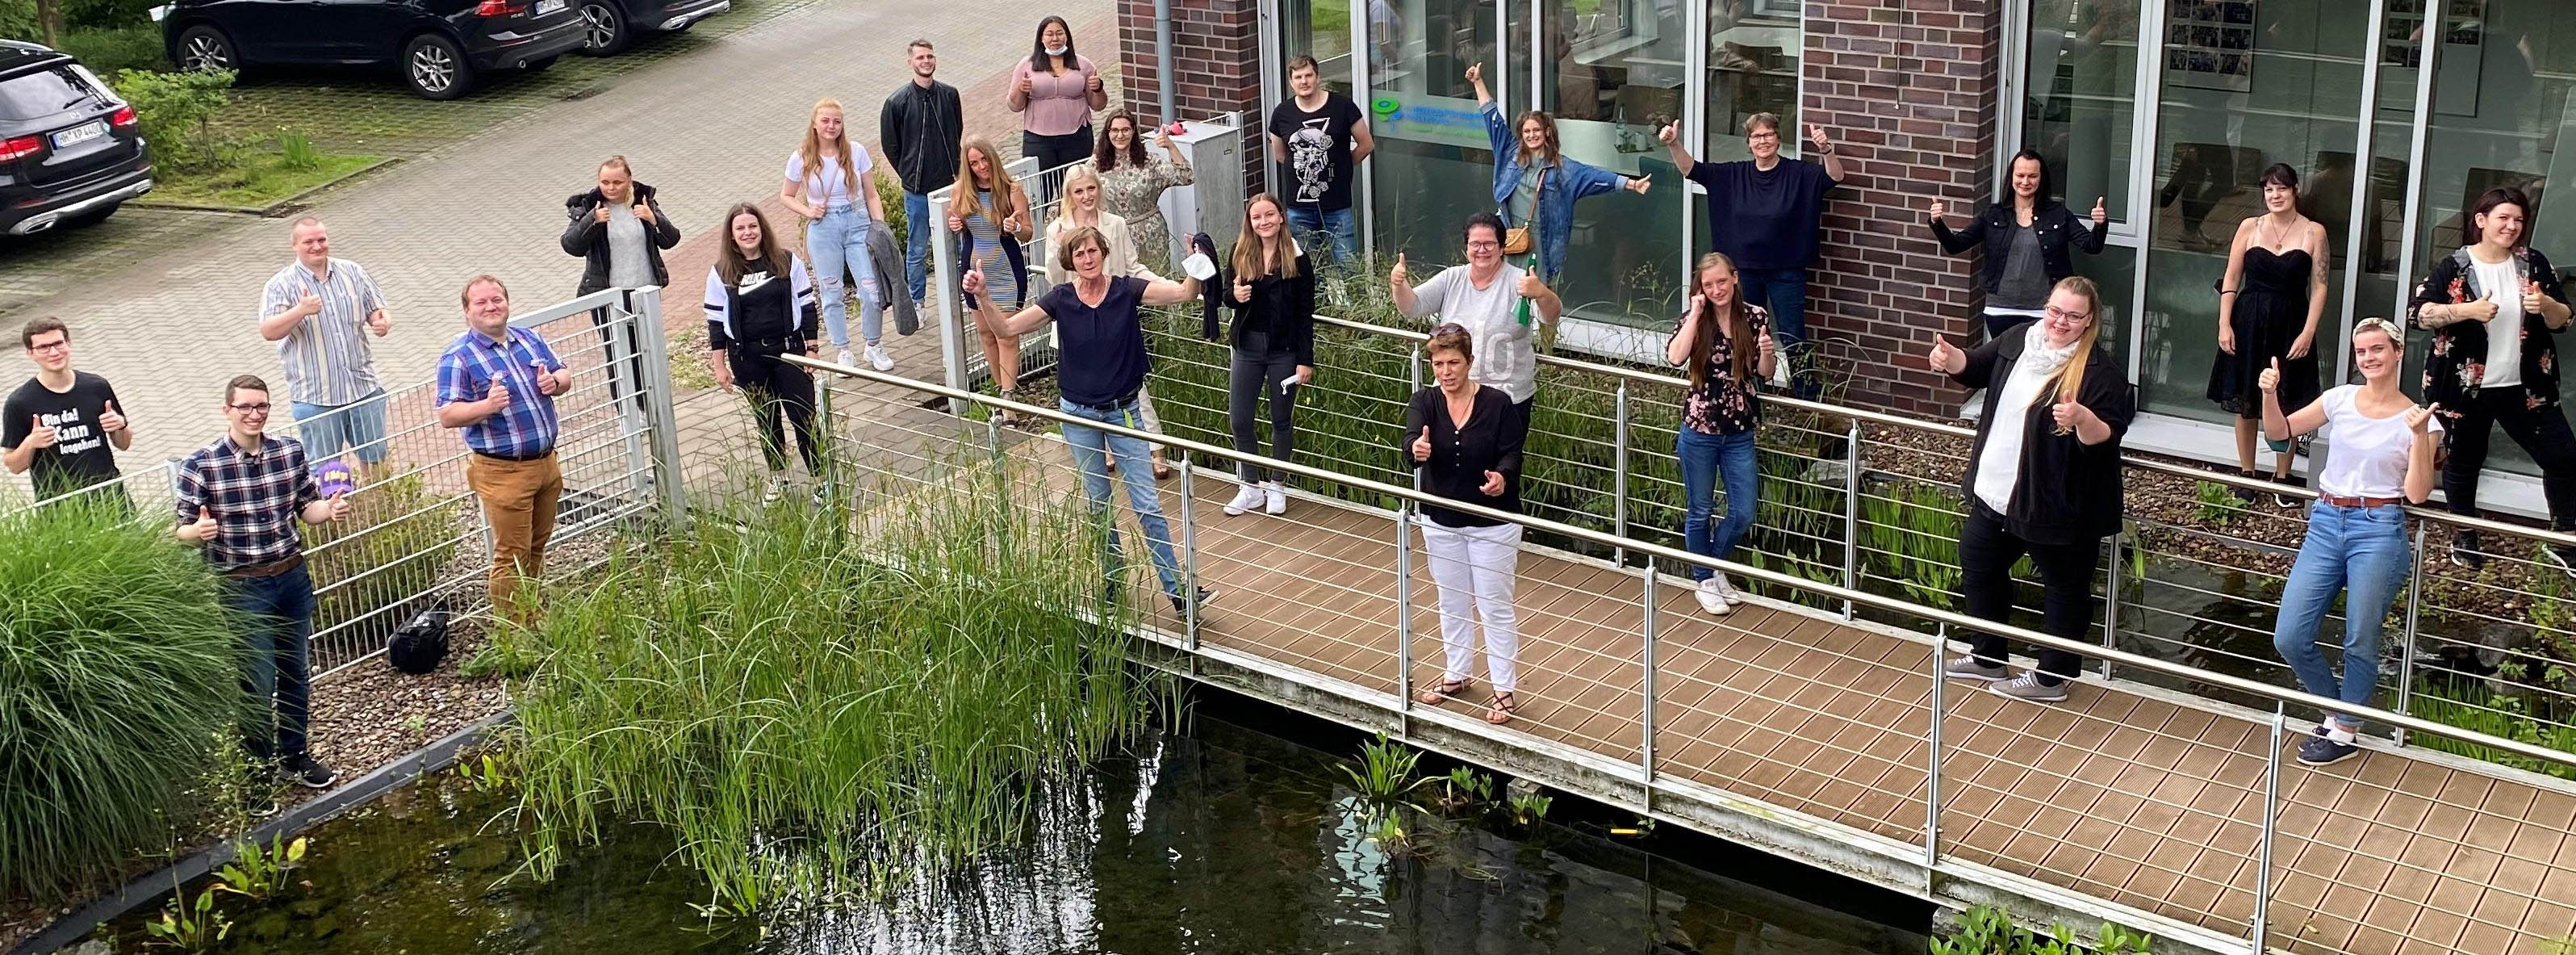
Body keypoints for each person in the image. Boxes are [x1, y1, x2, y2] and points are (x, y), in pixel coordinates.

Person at [965, 226, 1216, 615]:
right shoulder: (1060, 299)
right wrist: (982, 296)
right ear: (1070, 261)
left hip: (1124, 410)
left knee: (1148, 505)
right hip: (1078, 415)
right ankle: (1113, 584)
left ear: (1104, 253)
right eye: (1079, 253)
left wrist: (1197, 261)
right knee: (1099, 504)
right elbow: (1007, 329)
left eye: (1092, 251)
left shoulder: (1126, 290)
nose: (1087, 259)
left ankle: (1179, 592)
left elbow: (1184, 293)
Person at [1928, 276, 2134, 703]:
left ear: (2089, 320)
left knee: (2064, 588)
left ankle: (2051, 679)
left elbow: (2107, 438)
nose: (2060, 321)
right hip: (1997, 492)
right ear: (2045, 307)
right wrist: (1950, 359)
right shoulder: (2019, 338)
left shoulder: (2100, 373)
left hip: (2057, 504)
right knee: (1978, 565)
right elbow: (1976, 367)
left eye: (2073, 316)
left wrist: (2081, 418)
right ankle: (1988, 657)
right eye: (2055, 311)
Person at [2261, 317, 2440, 766]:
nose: (2369, 358)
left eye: (2378, 349)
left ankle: (2344, 732)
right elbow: (2279, 434)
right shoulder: (2340, 398)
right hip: (2325, 520)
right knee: (2290, 635)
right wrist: (2269, 394)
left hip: (2378, 528)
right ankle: (2338, 714)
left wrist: (2420, 435)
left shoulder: (2420, 419)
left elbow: (2418, 493)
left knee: (2361, 635)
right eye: (2362, 351)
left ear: (2398, 352)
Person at [174, 374, 353, 790]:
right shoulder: (201, 464)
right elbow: (181, 529)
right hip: (242, 586)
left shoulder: (288, 452)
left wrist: (329, 511)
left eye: (262, 406)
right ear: (227, 410)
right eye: (245, 407)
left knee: (296, 670)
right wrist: (197, 532)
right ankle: (257, 773)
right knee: (257, 679)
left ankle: (295, 756)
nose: (254, 415)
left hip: (291, 576)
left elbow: (306, 508)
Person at [2407, 186, 2576, 575]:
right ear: (2481, 220)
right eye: (2503, 218)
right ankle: (2465, 534)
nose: (2512, 226)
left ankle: (2564, 537)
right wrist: (2467, 310)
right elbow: (2419, 314)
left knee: (2564, 456)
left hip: (2526, 386)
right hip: (2465, 386)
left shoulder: (2533, 263)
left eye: (2519, 219)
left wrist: (2546, 305)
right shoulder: (2455, 265)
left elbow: (2564, 321)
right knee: (2465, 460)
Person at [1658, 115, 1844, 398]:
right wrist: (1674, 144)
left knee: (1793, 335)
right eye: (1756, 136)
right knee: (1745, 333)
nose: (1763, 141)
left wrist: (1826, 150)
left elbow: (1835, 177)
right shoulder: (1734, 175)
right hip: (1743, 272)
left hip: (1787, 271)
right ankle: (1751, 394)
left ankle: (1807, 399)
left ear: (1778, 139)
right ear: (1748, 143)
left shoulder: (1798, 173)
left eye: (1768, 135)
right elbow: (1691, 170)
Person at [1402, 323, 1529, 726]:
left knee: (1494, 605)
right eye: (1438, 364)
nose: (1446, 371)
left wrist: (1502, 477)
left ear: (1469, 362)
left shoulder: (1498, 403)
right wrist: (1416, 449)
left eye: (1453, 363)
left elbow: (1513, 454)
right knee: (1451, 599)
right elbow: (1409, 444)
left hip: (1492, 523)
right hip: (1440, 519)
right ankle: (1457, 673)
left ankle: (1504, 688)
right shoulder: (1424, 401)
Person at [434, 275, 569, 626]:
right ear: (467, 311)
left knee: (537, 545)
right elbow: (448, 415)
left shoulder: (528, 339)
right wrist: (487, 406)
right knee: (511, 555)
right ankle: (515, 632)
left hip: (546, 463)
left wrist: (555, 382)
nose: (491, 307)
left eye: (497, 299)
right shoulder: (458, 357)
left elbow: (564, 375)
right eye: (481, 302)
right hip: (503, 471)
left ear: (507, 303)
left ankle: (532, 614)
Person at [2210, 163, 2331, 508]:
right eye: (2269, 190)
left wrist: (2309, 331)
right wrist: (2224, 323)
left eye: (2282, 189)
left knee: (2288, 399)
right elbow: (2231, 278)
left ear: (2295, 191)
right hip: (2248, 321)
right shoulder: (2249, 226)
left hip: (2291, 324)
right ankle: (2246, 474)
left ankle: (2283, 476)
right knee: (2246, 399)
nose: (2275, 196)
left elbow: (2320, 287)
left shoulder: (2314, 232)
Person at [1465, 62, 1651, 284]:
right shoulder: (1510, 153)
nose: (1532, 135)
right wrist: (1478, 82)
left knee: (1539, 292)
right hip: (1510, 234)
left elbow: (1594, 177)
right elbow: (1491, 118)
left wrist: (1632, 184)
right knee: (1506, 289)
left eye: (1536, 130)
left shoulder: (1562, 168)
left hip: (1542, 241)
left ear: (1546, 132)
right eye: (1526, 131)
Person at [1666, 253, 1776, 616]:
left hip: (1740, 428)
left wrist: (1766, 354)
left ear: (1735, 279)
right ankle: (1705, 580)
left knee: (1743, 511)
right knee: (1700, 508)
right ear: (1700, 288)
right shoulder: (1696, 319)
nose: (1716, 290)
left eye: (1722, 282)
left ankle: (1713, 568)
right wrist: (1695, 314)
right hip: (1700, 427)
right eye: (1709, 284)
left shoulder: (1754, 316)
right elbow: (1675, 357)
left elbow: (1765, 372)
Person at [1048, 164, 1173, 480]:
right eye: (1079, 191)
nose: (1086, 196)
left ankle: (1155, 448)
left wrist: (1166, 286)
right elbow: (1054, 278)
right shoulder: (1057, 228)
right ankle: (1102, 449)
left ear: (1099, 189)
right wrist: (1060, 248)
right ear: (1069, 195)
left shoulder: (1115, 224)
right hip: (1077, 321)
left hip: (1115, 319)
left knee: (1135, 390)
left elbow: (1133, 267)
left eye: (1091, 188)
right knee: (1088, 389)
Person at [705, 203, 826, 503]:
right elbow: (716, 323)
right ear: (731, 235)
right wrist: (719, 366)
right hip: (747, 359)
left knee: (804, 418)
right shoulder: (721, 273)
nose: (748, 233)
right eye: (740, 228)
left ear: (762, 228)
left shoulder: (786, 261)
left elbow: (807, 306)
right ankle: (779, 478)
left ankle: (821, 480)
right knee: (767, 420)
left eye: (752, 226)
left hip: (789, 352)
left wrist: (811, 349)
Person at [1390, 213, 1562, 425]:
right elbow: (1412, 306)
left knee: (1501, 449)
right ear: (1466, 248)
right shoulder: (1451, 278)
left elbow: (1550, 315)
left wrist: (1542, 293)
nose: (1482, 250)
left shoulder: (1520, 281)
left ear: (1502, 248)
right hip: (1453, 394)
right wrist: (1398, 285)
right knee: (1448, 446)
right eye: (1475, 244)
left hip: (1507, 398)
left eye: (1489, 244)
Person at [1925, 149, 2109, 340]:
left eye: (2032, 176)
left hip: (2046, 310)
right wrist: (1937, 223)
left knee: (2040, 358)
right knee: (2006, 357)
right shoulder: (1993, 214)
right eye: (2020, 175)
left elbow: (2091, 246)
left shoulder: (2058, 213)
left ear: (2042, 178)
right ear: (2011, 177)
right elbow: (1955, 245)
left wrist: (2100, 225)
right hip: (2000, 309)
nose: (2025, 182)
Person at [260, 217, 391, 470]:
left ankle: (376, 497)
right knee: (327, 471)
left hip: (362, 388)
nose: (317, 246)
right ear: (294, 245)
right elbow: (268, 331)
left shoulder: (352, 272)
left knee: (376, 463)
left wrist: (382, 322)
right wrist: (300, 311)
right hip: (316, 398)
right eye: (308, 242)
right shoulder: (280, 285)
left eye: (322, 239)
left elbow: (377, 310)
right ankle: (335, 499)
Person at [1217, 193, 1316, 516]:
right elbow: (1225, 296)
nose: (1264, 222)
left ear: (1281, 217)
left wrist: (1305, 360)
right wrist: (1235, 295)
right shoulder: (1240, 251)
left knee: (1281, 419)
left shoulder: (1298, 258)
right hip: (1247, 347)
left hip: (1283, 350)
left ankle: (1277, 485)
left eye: (1269, 215)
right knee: (1240, 419)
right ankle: (1250, 487)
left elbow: (1305, 314)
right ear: (1250, 222)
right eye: (1257, 217)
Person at [780, 98, 893, 372]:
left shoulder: (856, 152)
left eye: (837, 122)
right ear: (815, 124)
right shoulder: (802, 157)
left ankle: (873, 344)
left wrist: (879, 225)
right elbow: (786, 195)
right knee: (831, 292)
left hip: (857, 222)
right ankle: (842, 350)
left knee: (871, 289)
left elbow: (871, 193)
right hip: (824, 228)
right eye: (825, 121)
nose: (831, 126)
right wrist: (808, 211)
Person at [559, 155, 677, 414]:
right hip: (608, 296)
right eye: (605, 182)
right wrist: (592, 220)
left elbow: (671, 239)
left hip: (644, 292)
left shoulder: (644, 202)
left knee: (648, 351)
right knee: (620, 356)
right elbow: (571, 245)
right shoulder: (589, 206)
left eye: (617, 182)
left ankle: (653, 410)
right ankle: (628, 414)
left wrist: (653, 219)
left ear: (629, 181)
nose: (611, 188)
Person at [951, 136, 1036, 424]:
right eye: (974, 163)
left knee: (1007, 334)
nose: (981, 167)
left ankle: (1008, 401)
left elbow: (1028, 233)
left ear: (993, 158)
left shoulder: (1012, 190)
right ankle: (1001, 393)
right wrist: (955, 223)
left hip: (1006, 271)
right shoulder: (961, 190)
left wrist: (1015, 227)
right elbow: (957, 223)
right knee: (987, 334)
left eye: (984, 160)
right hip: (975, 271)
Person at [4, 317, 132, 504]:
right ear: (30, 353)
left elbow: (124, 444)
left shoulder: (97, 387)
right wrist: (30, 443)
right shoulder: (20, 402)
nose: (54, 352)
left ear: (69, 343)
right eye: (43, 347)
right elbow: (14, 466)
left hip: (110, 497)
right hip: (60, 506)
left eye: (58, 343)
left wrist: (119, 426)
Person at [880, 39, 964, 312]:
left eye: (929, 56)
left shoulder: (950, 95)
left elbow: (957, 131)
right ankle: (917, 301)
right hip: (917, 190)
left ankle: (963, 293)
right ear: (910, 62)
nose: (926, 61)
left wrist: (954, 168)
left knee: (959, 242)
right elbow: (890, 145)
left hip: (949, 185)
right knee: (917, 249)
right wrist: (908, 172)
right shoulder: (897, 103)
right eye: (920, 57)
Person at [1267, 54, 1374, 266]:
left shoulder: (1343, 106)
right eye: (1298, 77)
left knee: (1348, 267)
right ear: (1291, 82)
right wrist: (1304, 167)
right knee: (1307, 271)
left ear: (1318, 77)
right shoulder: (1281, 114)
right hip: (1299, 209)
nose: (1304, 81)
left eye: (1308, 75)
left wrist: (1343, 165)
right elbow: (1281, 155)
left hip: (1338, 206)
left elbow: (1366, 144)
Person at [1007, 15, 1107, 191]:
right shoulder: (1027, 65)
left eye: (1060, 33)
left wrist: (1098, 88)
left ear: (1067, 36)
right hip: (1038, 140)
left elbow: (1099, 105)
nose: (1055, 39)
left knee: (1075, 189)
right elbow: (1014, 105)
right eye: (1049, 34)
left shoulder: (1084, 65)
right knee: (1040, 191)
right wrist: (1021, 89)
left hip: (1077, 138)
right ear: (1041, 38)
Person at [1087, 110, 1194, 269]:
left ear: (1133, 131)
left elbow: (1187, 176)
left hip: (1150, 236)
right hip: (1112, 235)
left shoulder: (1150, 161)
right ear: (1107, 133)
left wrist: (1170, 146)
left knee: (1155, 279)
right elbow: (1076, 189)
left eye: (1125, 130)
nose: (1120, 135)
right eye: (1115, 130)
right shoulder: (1096, 163)